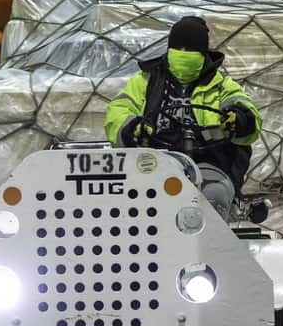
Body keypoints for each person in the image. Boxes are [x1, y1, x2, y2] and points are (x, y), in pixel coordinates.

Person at [104, 15, 262, 218]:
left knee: (213, 197)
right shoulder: (145, 81)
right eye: (179, 49)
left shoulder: (222, 84)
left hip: (210, 165)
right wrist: (130, 129)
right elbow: (119, 109)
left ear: (203, 53)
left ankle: (209, 244)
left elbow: (243, 105)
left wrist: (240, 119)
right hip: (155, 166)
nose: (184, 54)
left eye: (191, 50)